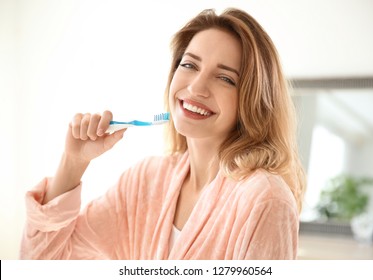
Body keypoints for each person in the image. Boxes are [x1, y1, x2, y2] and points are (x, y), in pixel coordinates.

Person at [20, 8, 305, 260]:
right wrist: (73, 162)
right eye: (189, 65)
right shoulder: (146, 180)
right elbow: (45, 261)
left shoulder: (265, 200)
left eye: (225, 78)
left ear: (252, 100)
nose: (196, 87)